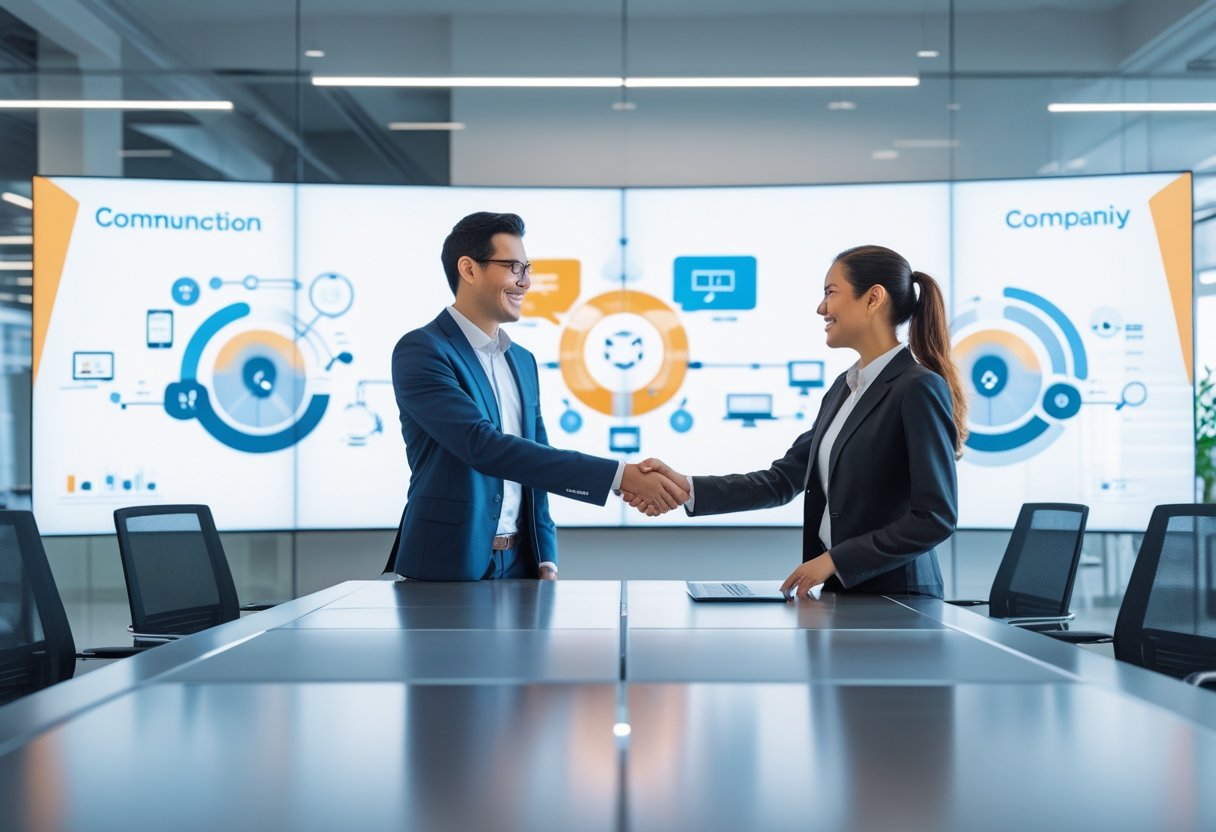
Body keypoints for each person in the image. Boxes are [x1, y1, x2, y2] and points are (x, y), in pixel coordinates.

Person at [626, 244, 967, 598]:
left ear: (873, 298)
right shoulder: (844, 388)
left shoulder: (918, 387)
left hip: (898, 603)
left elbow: (934, 518)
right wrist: (686, 488)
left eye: (830, 293)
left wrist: (835, 560)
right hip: (845, 596)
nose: (822, 308)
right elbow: (782, 480)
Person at [386, 211, 688, 581]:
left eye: (527, 269)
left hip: (522, 565)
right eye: (514, 267)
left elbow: (534, 458)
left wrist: (546, 555)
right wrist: (619, 475)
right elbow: (482, 446)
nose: (525, 282)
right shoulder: (422, 350)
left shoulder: (522, 361)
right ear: (468, 269)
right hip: (445, 563)